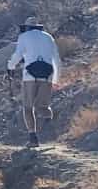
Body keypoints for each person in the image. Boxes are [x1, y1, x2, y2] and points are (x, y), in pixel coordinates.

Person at [7, 16, 61, 146]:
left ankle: (33, 138)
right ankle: (50, 128)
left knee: (27, 107)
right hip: (47, 75)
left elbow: (18, 55)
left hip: (30, 77)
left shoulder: (24, 37)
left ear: (26, 27)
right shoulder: (49, 37)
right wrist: (55, 80)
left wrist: (10, 67)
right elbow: (57, 60)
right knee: (42, 107)